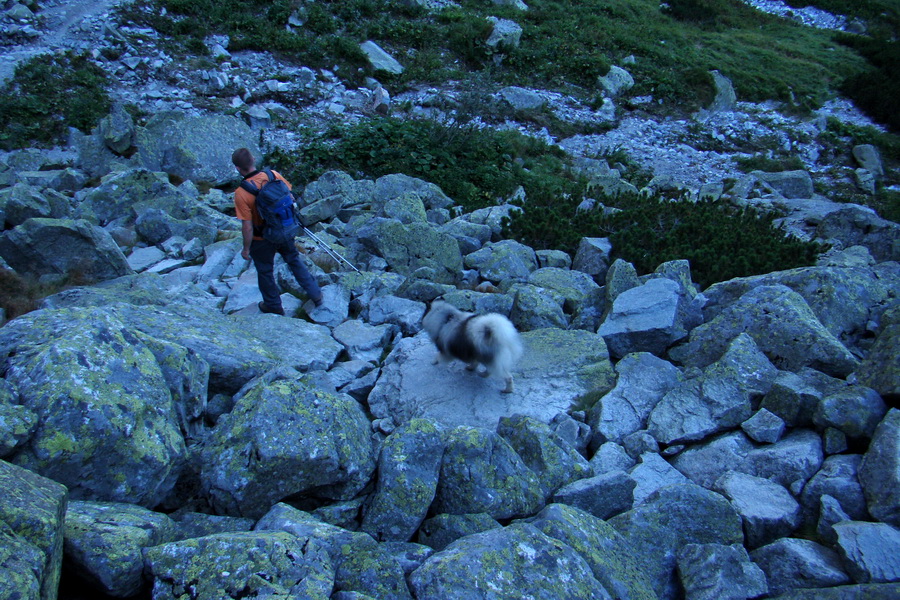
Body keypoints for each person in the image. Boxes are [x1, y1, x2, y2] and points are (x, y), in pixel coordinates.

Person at [232, 148, 323, 315]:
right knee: (294, 260)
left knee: (265, 271)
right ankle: (315, 294)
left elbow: (247, 226)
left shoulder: (241, 193)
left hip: (261, 239)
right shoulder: (273, 175)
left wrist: (246, 249)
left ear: (237, 168)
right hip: (284, 230)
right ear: (253, 159)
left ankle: (273, 306)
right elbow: (291, 198)